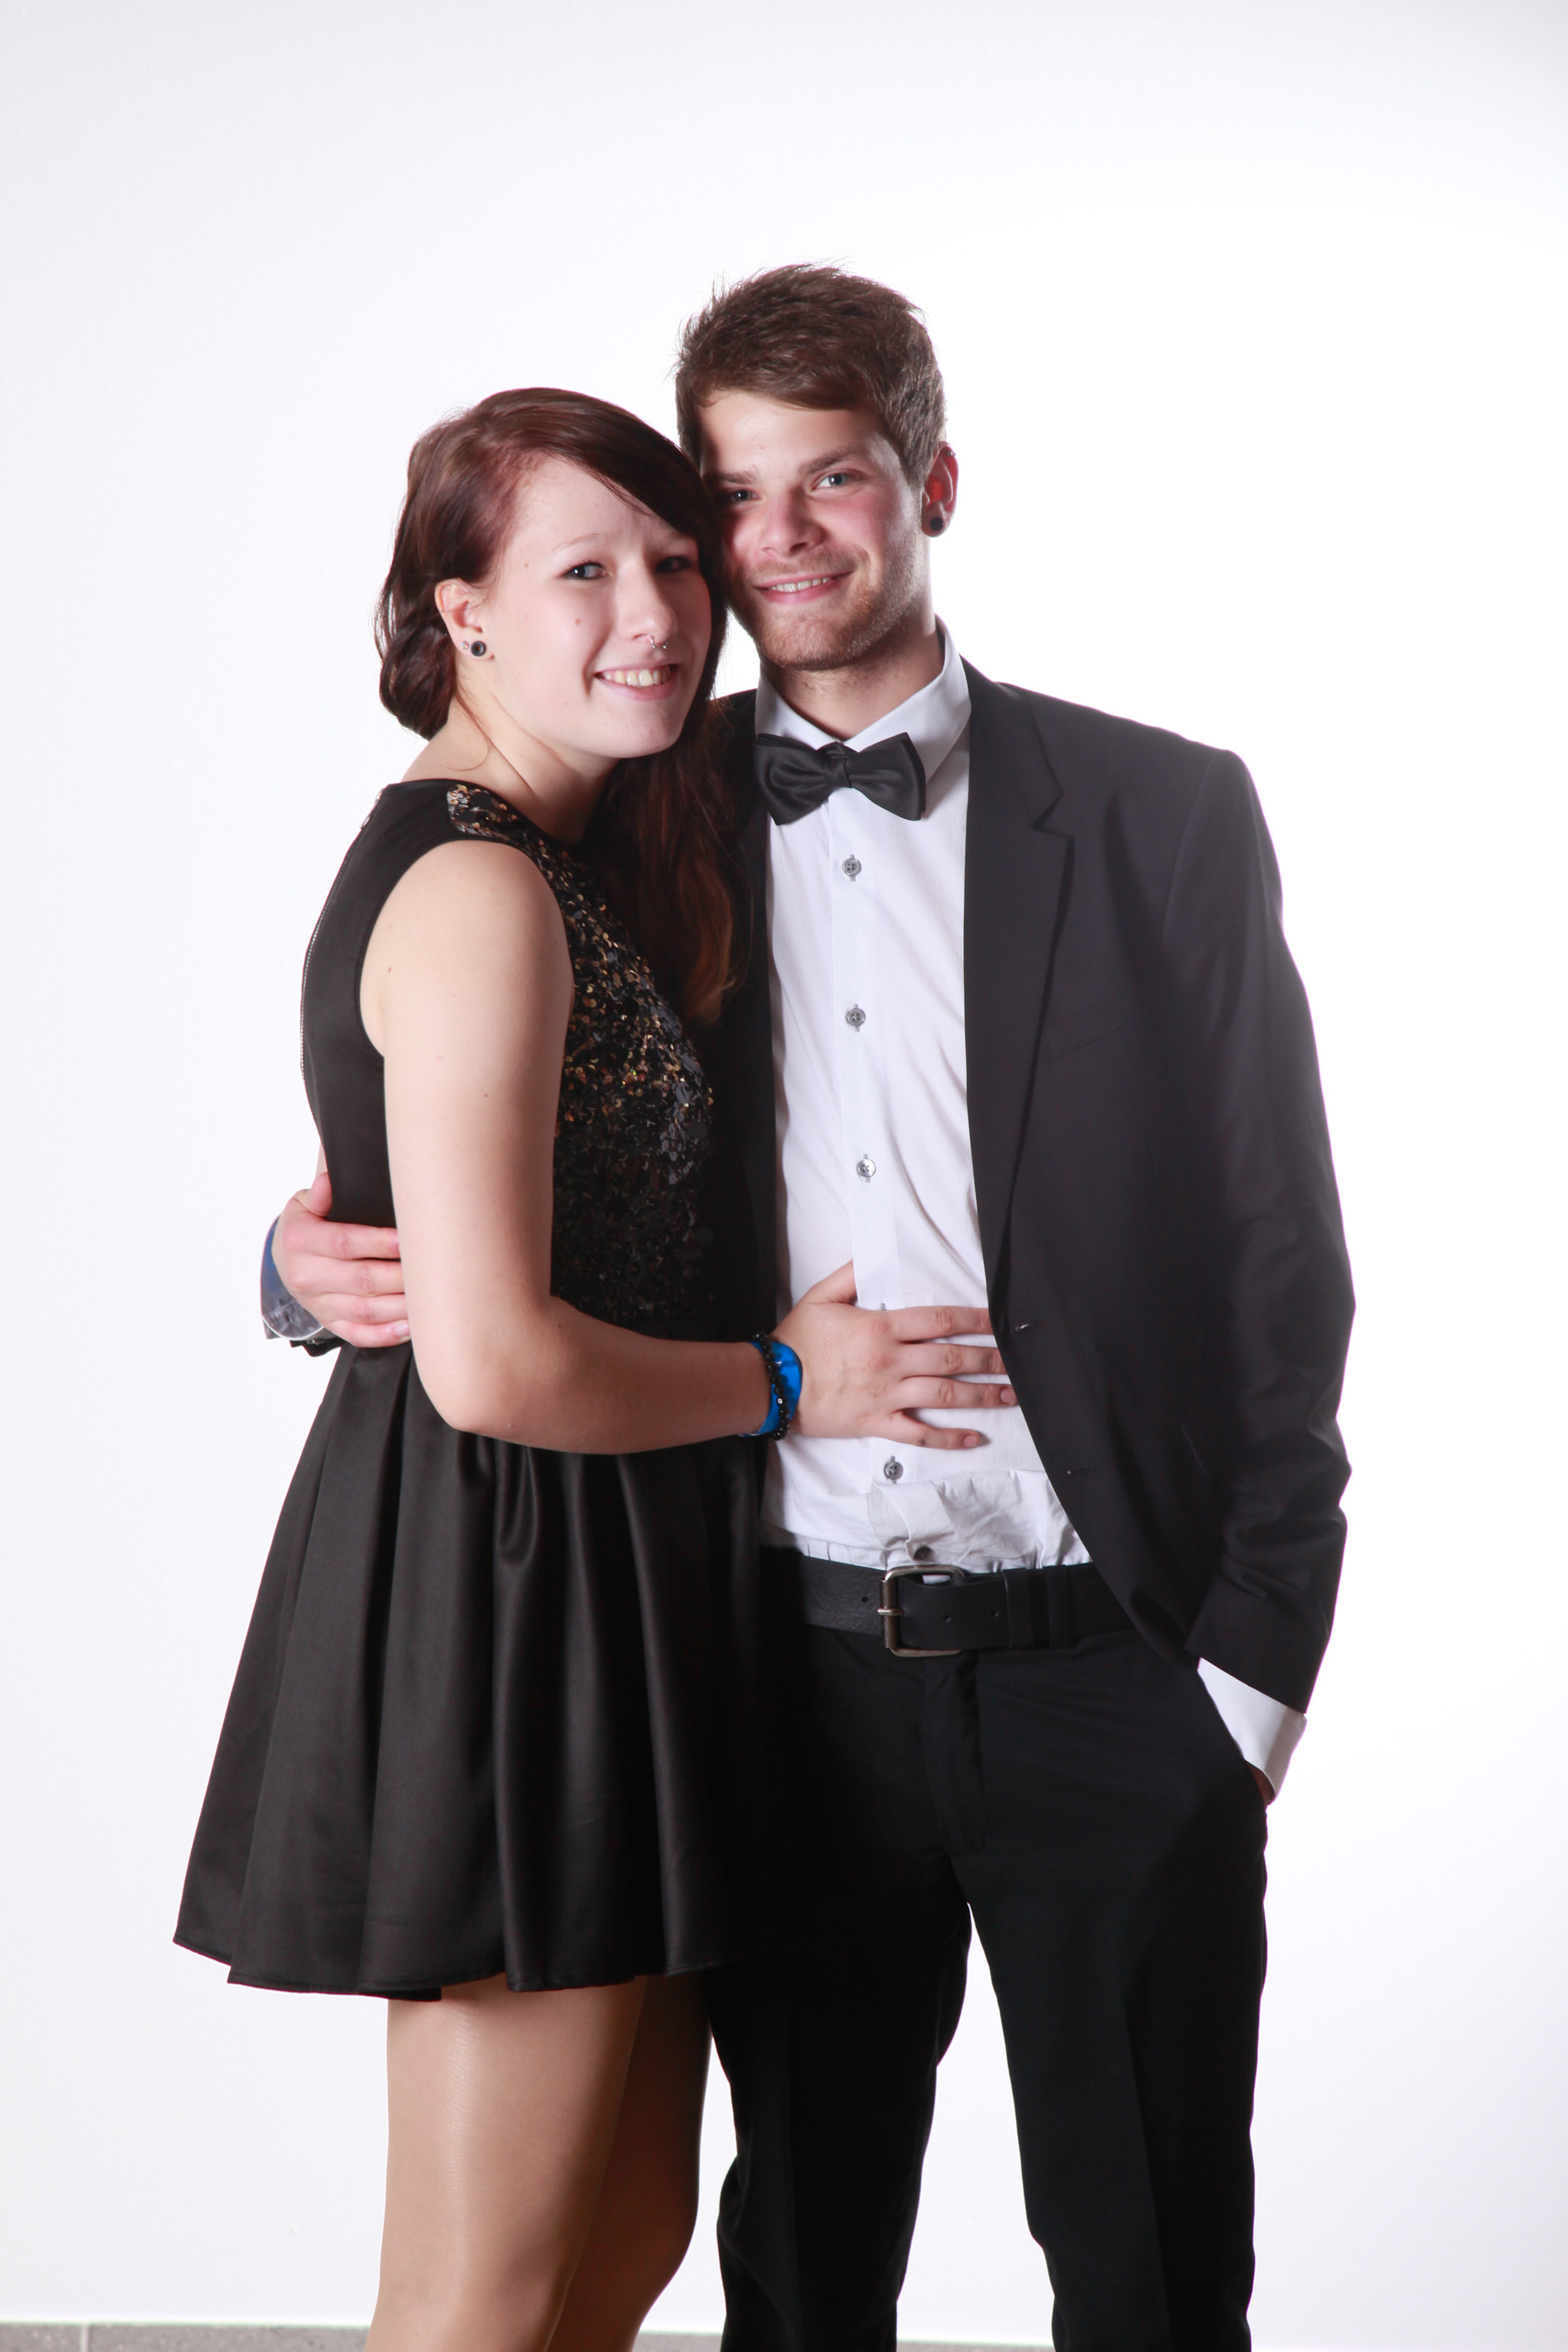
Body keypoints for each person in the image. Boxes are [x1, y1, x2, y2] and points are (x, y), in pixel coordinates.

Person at [271, 273, 1355, 2351]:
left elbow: (1281, 1258)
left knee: (1153, 2283)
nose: (771, 542)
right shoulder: (621, 801)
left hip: (1111, 1669)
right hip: (766, 1672)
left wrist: (1247, 1675)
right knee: (789, 2276)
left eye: (830, 480)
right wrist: (302, 1260)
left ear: (929, 483)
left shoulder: (1162, 813)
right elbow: (449, 1101)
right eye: (728, 497)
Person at [179, 384, 1018, 2352]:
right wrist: (793, 1385)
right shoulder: (480, 885)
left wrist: (300, 1261)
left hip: (618, 1579)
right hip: (516, 1587)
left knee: (617, 2238)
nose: (651, 614)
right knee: (480, 2288)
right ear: (459, 609)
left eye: (668, 561)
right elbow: (488, 1363)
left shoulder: (595, 838)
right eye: (581, 572)